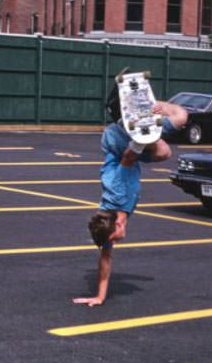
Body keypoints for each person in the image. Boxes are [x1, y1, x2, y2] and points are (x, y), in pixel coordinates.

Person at [73, 91, 188, 307]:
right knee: (171, 134)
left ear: (117, 224)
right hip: (120, 151)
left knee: (171, 137)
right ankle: (141, 112)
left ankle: (134, 110)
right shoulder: (105, 222)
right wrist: (99, 296)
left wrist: (143, 131)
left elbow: (128, 157)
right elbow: (105, 258)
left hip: (116, 142)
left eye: (114, 238)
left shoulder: (118, 196)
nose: (115, 241)